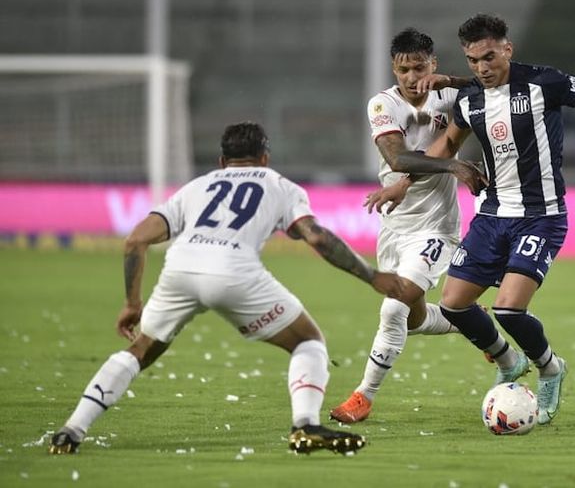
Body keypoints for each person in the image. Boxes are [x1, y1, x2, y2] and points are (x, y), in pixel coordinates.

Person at [368, 14, 575, 425]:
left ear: (507, 49)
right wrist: (404, 182)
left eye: (489, 56)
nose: (482, 67)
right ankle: (509, 363)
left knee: (509, 310)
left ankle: (551, 368)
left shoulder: (544, 83)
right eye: (473, 60)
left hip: (541, 215)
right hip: (493, 214)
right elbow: (444, 146)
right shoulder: (471, 99)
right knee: (454, 305)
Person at [48, 122, 403, 456]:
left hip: (180, 269)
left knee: (140, 351)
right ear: (265, 157)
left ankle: (72, 430)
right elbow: (318, 238)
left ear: (221, 161)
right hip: (234, 272)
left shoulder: (197, 187)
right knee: (308, 341)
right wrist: (372, 276)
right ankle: (305, 425)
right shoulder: (279, 185)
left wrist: (131, 302)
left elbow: (135, 240)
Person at [329, 28, 485, 424]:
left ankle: (363, 396)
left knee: (393, 307)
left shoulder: (449, 96)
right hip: (396, 226)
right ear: (393, 69)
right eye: (403, 70)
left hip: (437, 227)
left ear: (433, 63)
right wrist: (452, 166)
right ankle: (471, 322)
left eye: (419, 68)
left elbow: (494, 85)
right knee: (412, 317)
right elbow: (398, 159)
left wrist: (451, 81)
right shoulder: (382, 104)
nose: (412, 78)